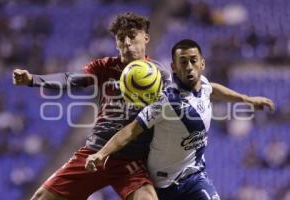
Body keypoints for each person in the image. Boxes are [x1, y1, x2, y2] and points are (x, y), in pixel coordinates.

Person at [85, 39, 275, 200]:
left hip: (193, 177)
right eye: (183, 62)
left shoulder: (204, 85)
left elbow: (213, 89)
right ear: (174, 67)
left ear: (202, 63)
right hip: (162, 185)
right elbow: (130, 131)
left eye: (193, 61)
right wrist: (101, 154)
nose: (189, 66)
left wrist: (246, 99)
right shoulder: (165, 101)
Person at [13, 12, 161, 200]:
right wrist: (33, 79)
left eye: (132, 36)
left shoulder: (160, 76)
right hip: (95, 152)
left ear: (145, 38)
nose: (127, 43)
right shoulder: (105, 67)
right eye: (121, 38)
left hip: (130, 159)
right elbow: (70, 79)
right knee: (41, 198)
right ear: (116, 43)